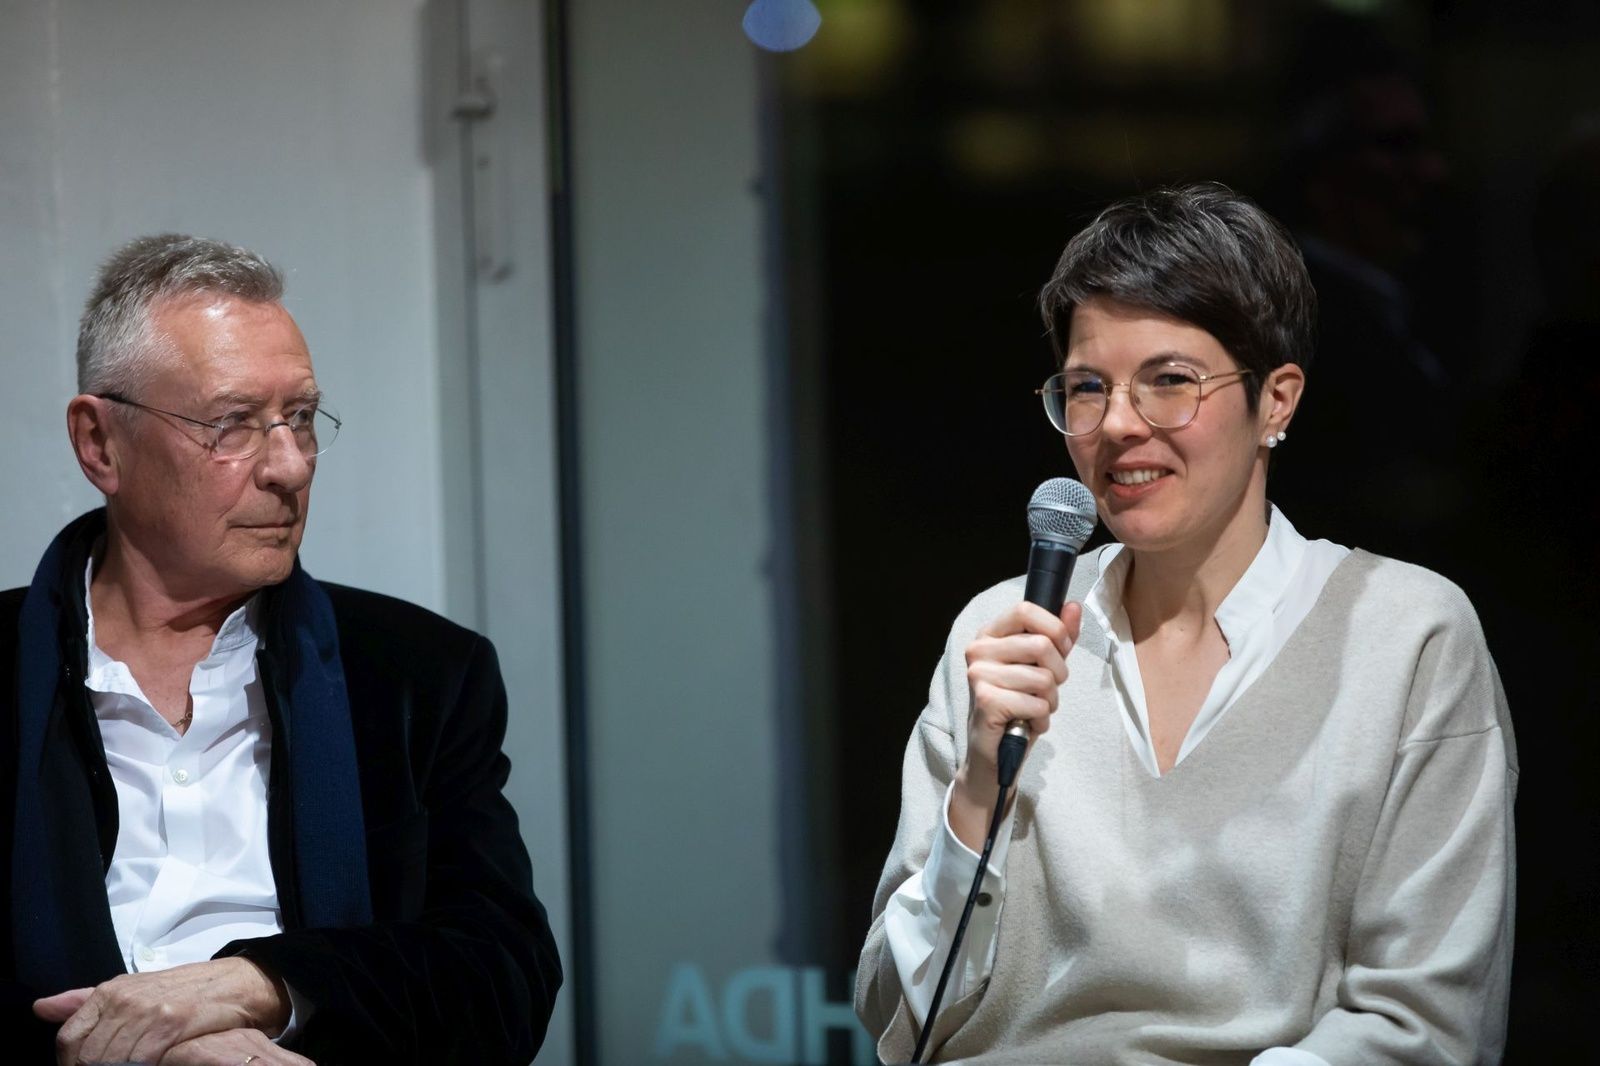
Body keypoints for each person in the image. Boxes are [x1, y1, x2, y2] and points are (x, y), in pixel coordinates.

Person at [854, 185, 1515, 1064]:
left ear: (1276, 401)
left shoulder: (1406, 636)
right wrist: (978, 789)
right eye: (1087, 388)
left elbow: (1424, 1023)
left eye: (1170, 382)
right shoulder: (1006, 633)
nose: (1119, 425)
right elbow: (898, 1019)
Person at [1, 235, 562, 1064]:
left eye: (300, 418)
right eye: (231, 425)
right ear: (99, 444)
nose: (291, 467)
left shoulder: (417, 676)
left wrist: (264, 984)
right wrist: (154, 1051)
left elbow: (503, 976)